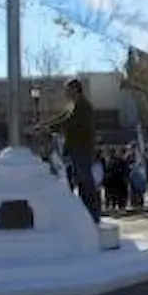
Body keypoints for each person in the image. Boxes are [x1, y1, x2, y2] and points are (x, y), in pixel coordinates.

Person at [35, 78, 100, 223]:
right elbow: (60, 117)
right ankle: (85, 213)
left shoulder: (83, 106)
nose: (65, 92)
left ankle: (93, 214)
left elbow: (68, 122)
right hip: (73, 149)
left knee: (86, 181)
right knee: (79, 181)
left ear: (76, 89)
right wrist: (44, 124)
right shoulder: (71, 105)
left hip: (82, 148)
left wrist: (48, 127)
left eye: (68, 89)